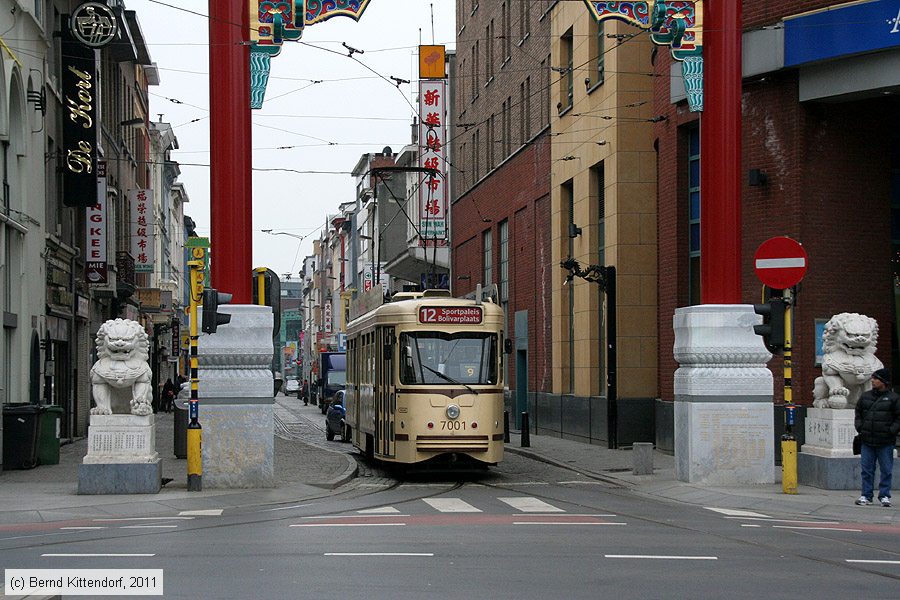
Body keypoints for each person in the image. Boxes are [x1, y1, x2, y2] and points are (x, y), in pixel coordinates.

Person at [854, 368, 900, 507]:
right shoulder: (865, 396)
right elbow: (858, 413)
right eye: (873, 378)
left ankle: (885, 495)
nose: (873, 381)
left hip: (885, 441)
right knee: (866, 470)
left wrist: (891, 431)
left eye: (876, 378)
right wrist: (860, 427)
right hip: (867, 440)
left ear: (884, 382)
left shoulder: (894, 398)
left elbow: (898, 418)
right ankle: (866, 495)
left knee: (886, 470)